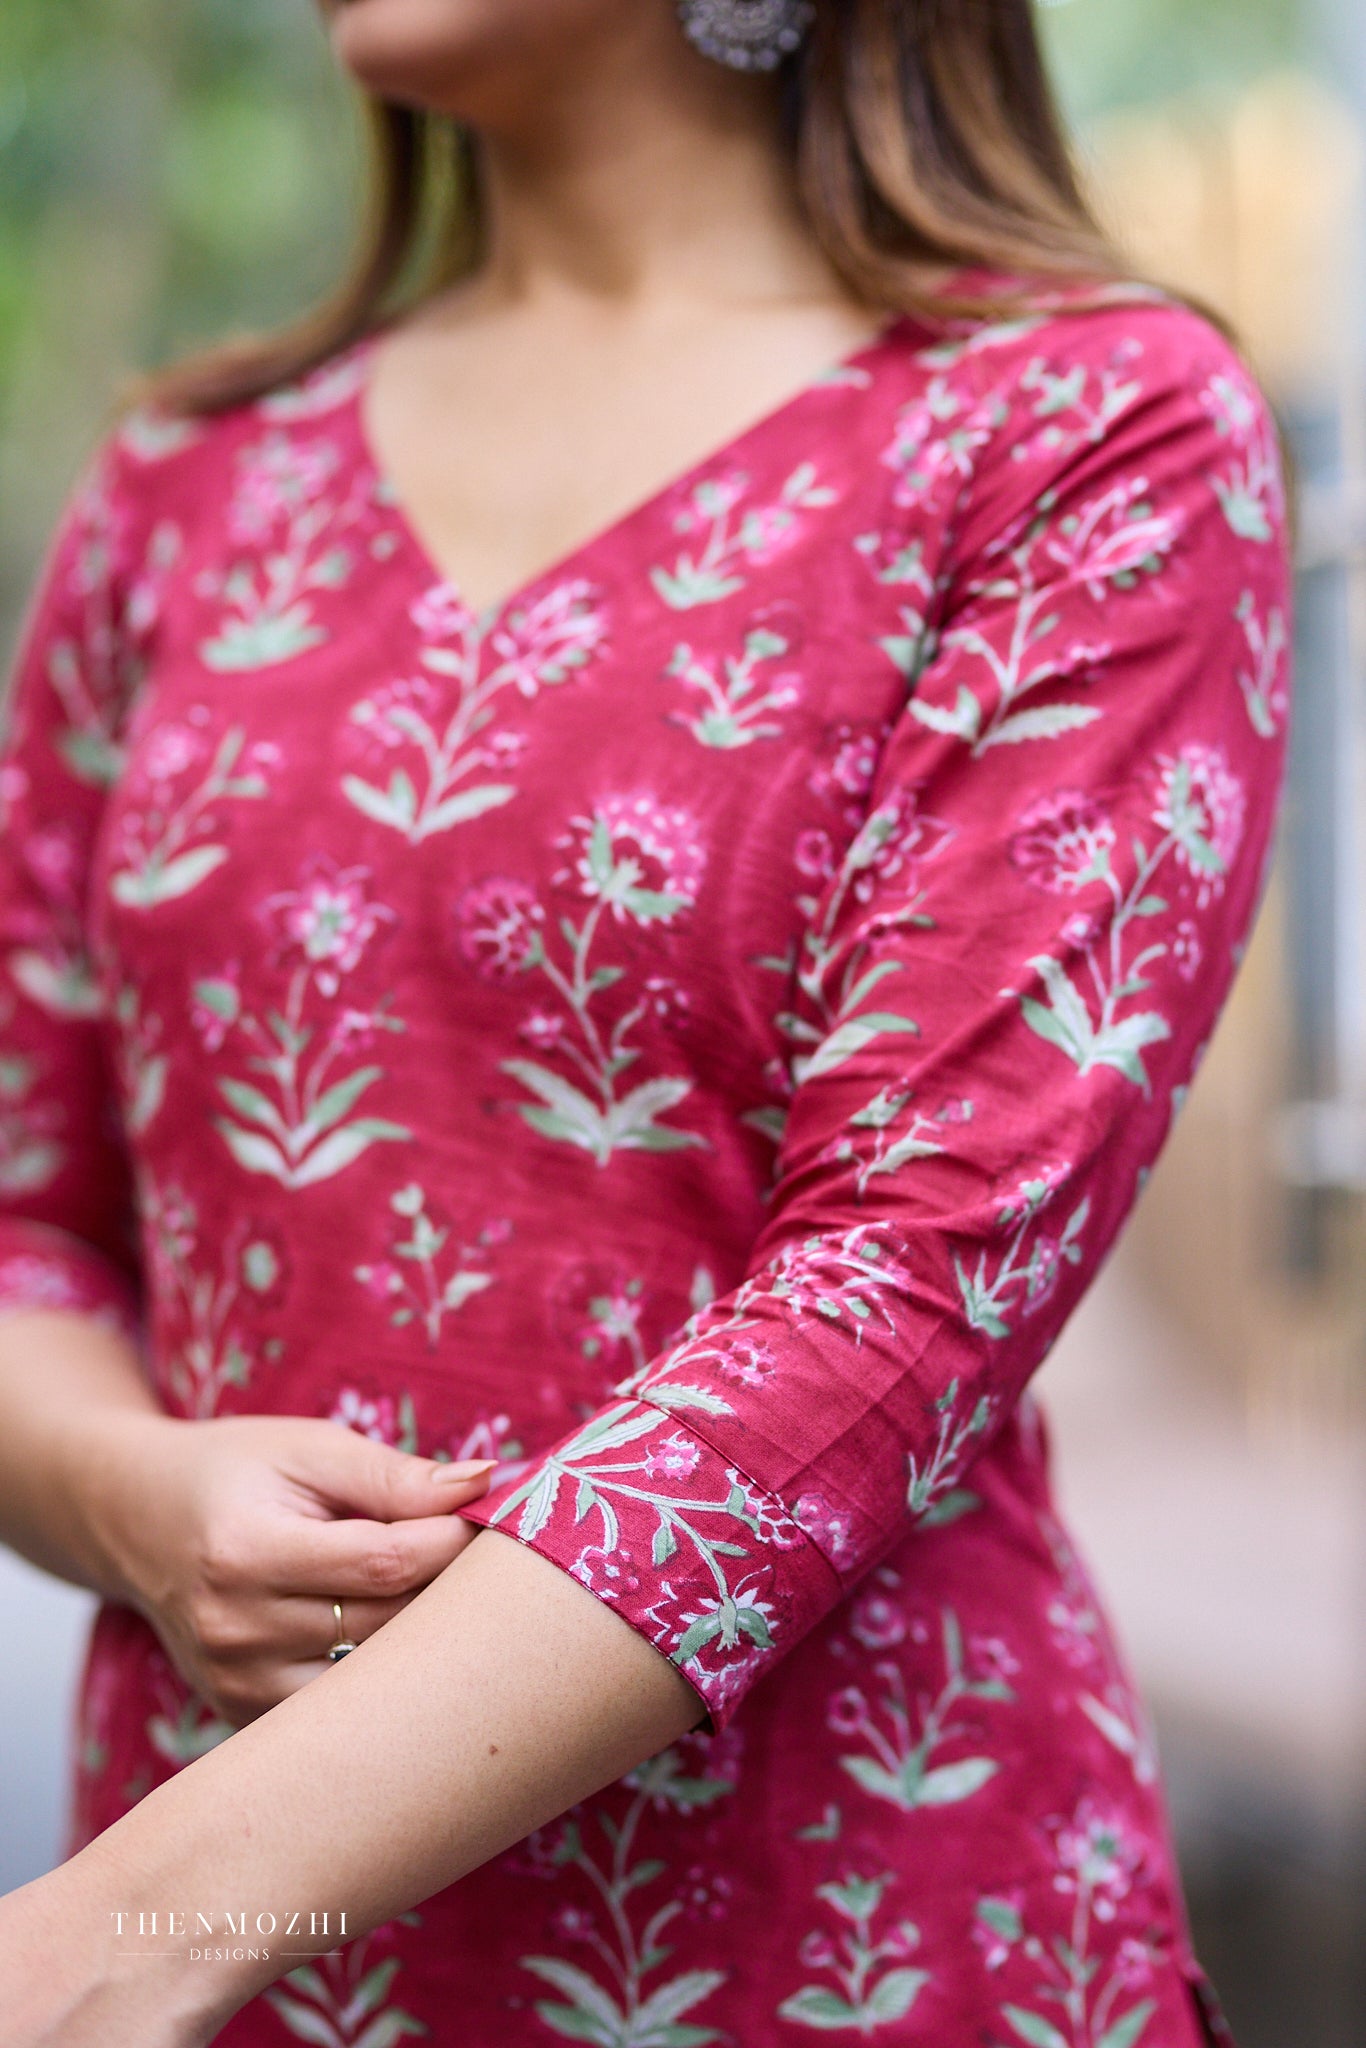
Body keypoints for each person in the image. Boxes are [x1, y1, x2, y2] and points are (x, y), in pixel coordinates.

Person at [0, 2, 1291, 2043]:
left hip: (840, 1927)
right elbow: (26, 1222)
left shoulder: (1079, 433)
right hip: (213, 1962)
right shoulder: (184, 489)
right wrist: (115, 1493)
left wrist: (119, 1931)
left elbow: (911, 1279)